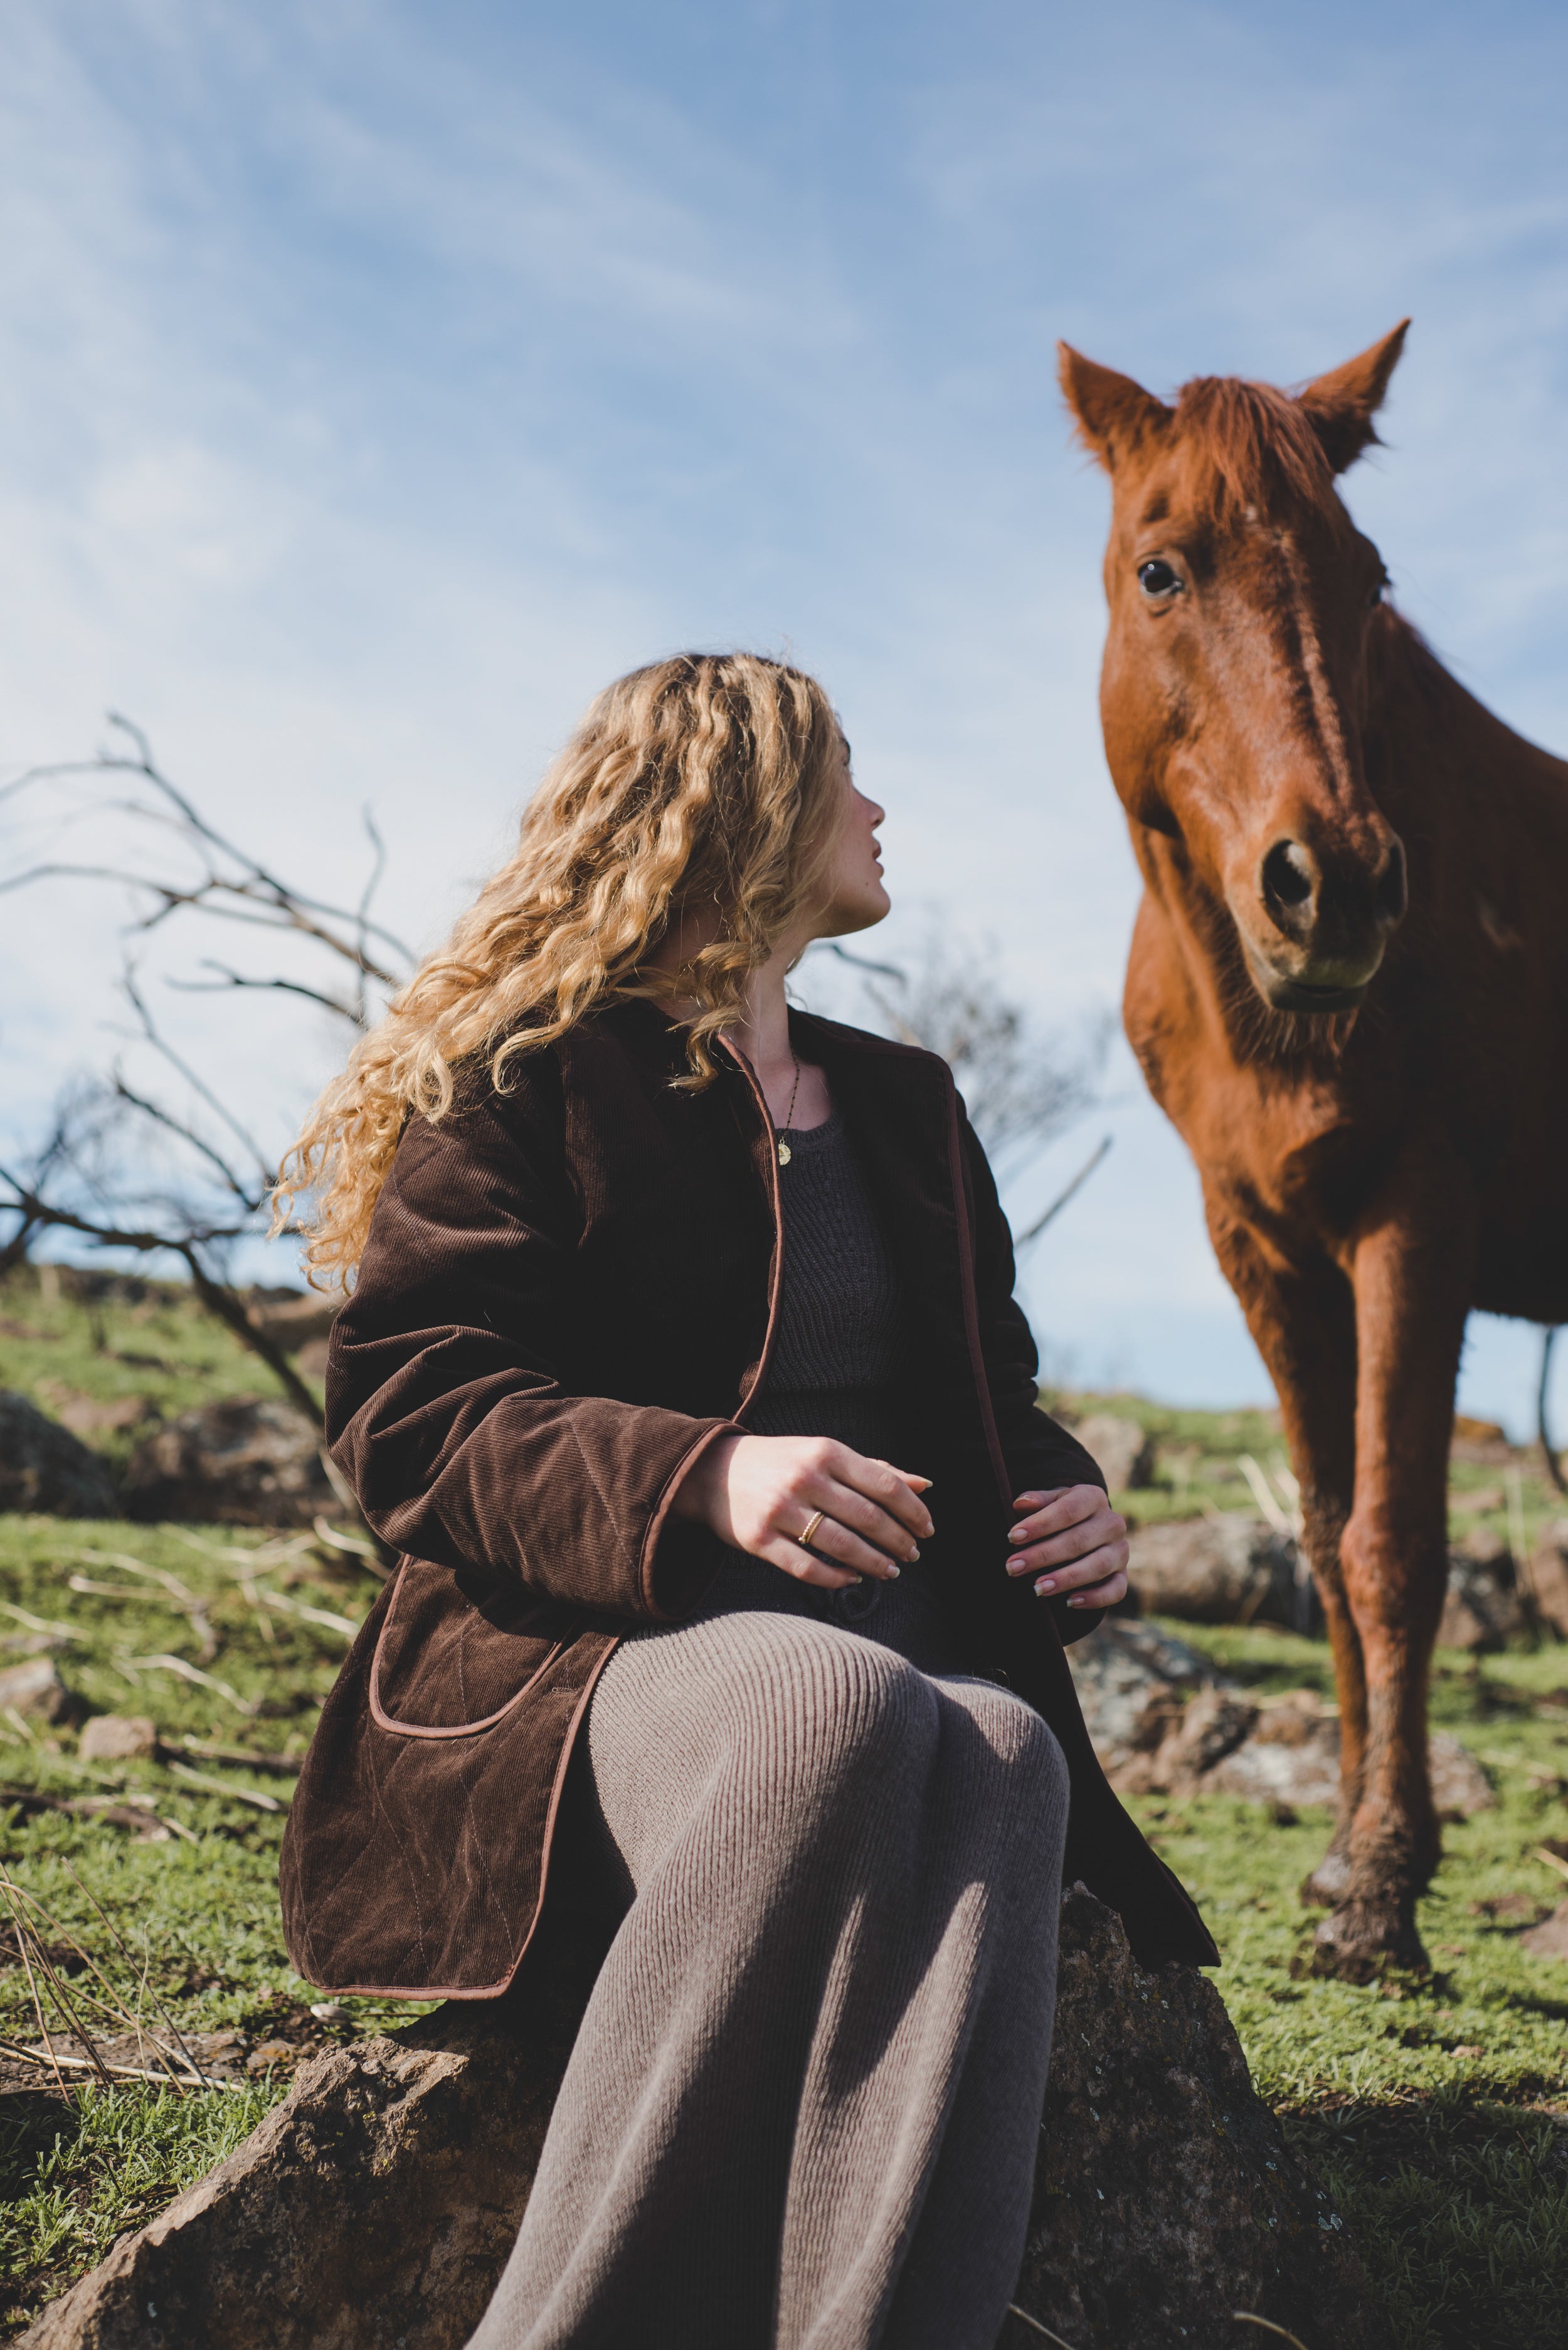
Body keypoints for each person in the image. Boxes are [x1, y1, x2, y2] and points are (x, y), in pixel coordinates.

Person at [274, 651, 1214, 2350]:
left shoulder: (909, 1106)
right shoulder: (532, 1069)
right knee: (829, 1699)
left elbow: (986, 1392)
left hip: (908, 1668)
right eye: (845, 769)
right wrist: (700, 1475)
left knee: (1007, 1746)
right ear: (744, 801)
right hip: (584, 1678)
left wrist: (1066, 1500)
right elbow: (413, 1410)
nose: (876, 808)